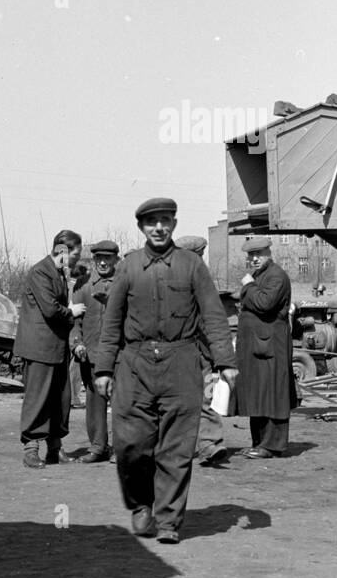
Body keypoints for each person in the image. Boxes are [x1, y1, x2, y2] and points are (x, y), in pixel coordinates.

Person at [94, 198, 237, 544]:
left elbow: (214, 316)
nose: (158, 228)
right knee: (131, 444)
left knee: (176, 448)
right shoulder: (128, 267)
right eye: (151, 222)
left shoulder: (192, 266)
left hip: (181, 361)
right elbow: (111, 322)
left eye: (165, 221)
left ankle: (169, 520)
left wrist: (226, 362)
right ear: (141, 227)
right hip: (134, 363)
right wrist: (104, 369)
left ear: (173, 224)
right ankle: (141, 503)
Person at [12, 229, 85, 468]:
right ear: (63, 251)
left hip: (56, 346)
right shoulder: (40, 272)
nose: (77, 258)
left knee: (59, 399)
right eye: (76, 253)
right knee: (38, 399)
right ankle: (31, 449)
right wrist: (71, 312)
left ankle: (55, 448)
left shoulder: (59, 274)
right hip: (39, 347)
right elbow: (51, 309)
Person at [233, 237, 295, 458]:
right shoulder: (262, 275)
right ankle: (259, 443)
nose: (254, 258)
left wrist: (247, 286)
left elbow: (264, 303)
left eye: (259, 253)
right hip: (261, 345)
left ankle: (271, 445)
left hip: (271, 345)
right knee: (259, 393)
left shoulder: (276, 275)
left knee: (273, 393)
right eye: (251, 255)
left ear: (270, 251)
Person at [175, 234, 230, 466]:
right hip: (179, 353)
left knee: (207, 398)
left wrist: (222, 357)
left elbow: (213, 321)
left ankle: (210, 445)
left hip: (202, 353)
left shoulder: (202, 282)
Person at [69, 239, 120, 463]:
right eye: (98, 258)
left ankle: (121, 449)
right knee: (95, 403)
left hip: (120, 355)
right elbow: (74, 320)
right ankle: (98, 446)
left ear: (116, 260)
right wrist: (77, 343)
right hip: (91, 353)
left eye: (107, 258)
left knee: (122, 404)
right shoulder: (83, 284)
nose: (102, 262)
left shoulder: (125, 283)